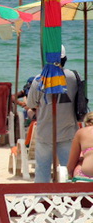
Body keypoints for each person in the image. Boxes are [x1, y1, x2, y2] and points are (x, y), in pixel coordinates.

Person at [27, 45, 78, 183]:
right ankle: (70, 198)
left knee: (42, 170)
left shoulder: (39, 80)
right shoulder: (73, 77)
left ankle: (41, 198)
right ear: (64, 59)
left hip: (45, 132)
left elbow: (31, 104)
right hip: (68, 131)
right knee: (69, 170)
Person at [67, 112, 93, 180]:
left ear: (86, 123)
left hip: (88, 176)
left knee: (79, 163)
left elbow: (71, 165)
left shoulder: (81, 132)